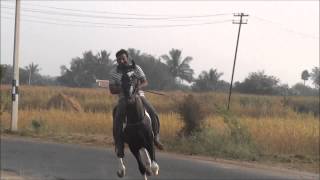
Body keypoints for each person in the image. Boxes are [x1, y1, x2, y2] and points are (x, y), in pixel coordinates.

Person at [109, 49, 164, 158]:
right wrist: (122, 88)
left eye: (123, 59)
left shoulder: (136, 68)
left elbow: (145, 81)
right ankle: (119, 144)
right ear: (117, 61)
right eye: (119, 59)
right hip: (123, 98)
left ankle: (156, 137)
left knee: (152, 112)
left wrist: (137, 87)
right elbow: (111, 89)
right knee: (117, 116)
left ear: (127, 58)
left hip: (138, 96)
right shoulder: (114, 72)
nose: (121, 61)